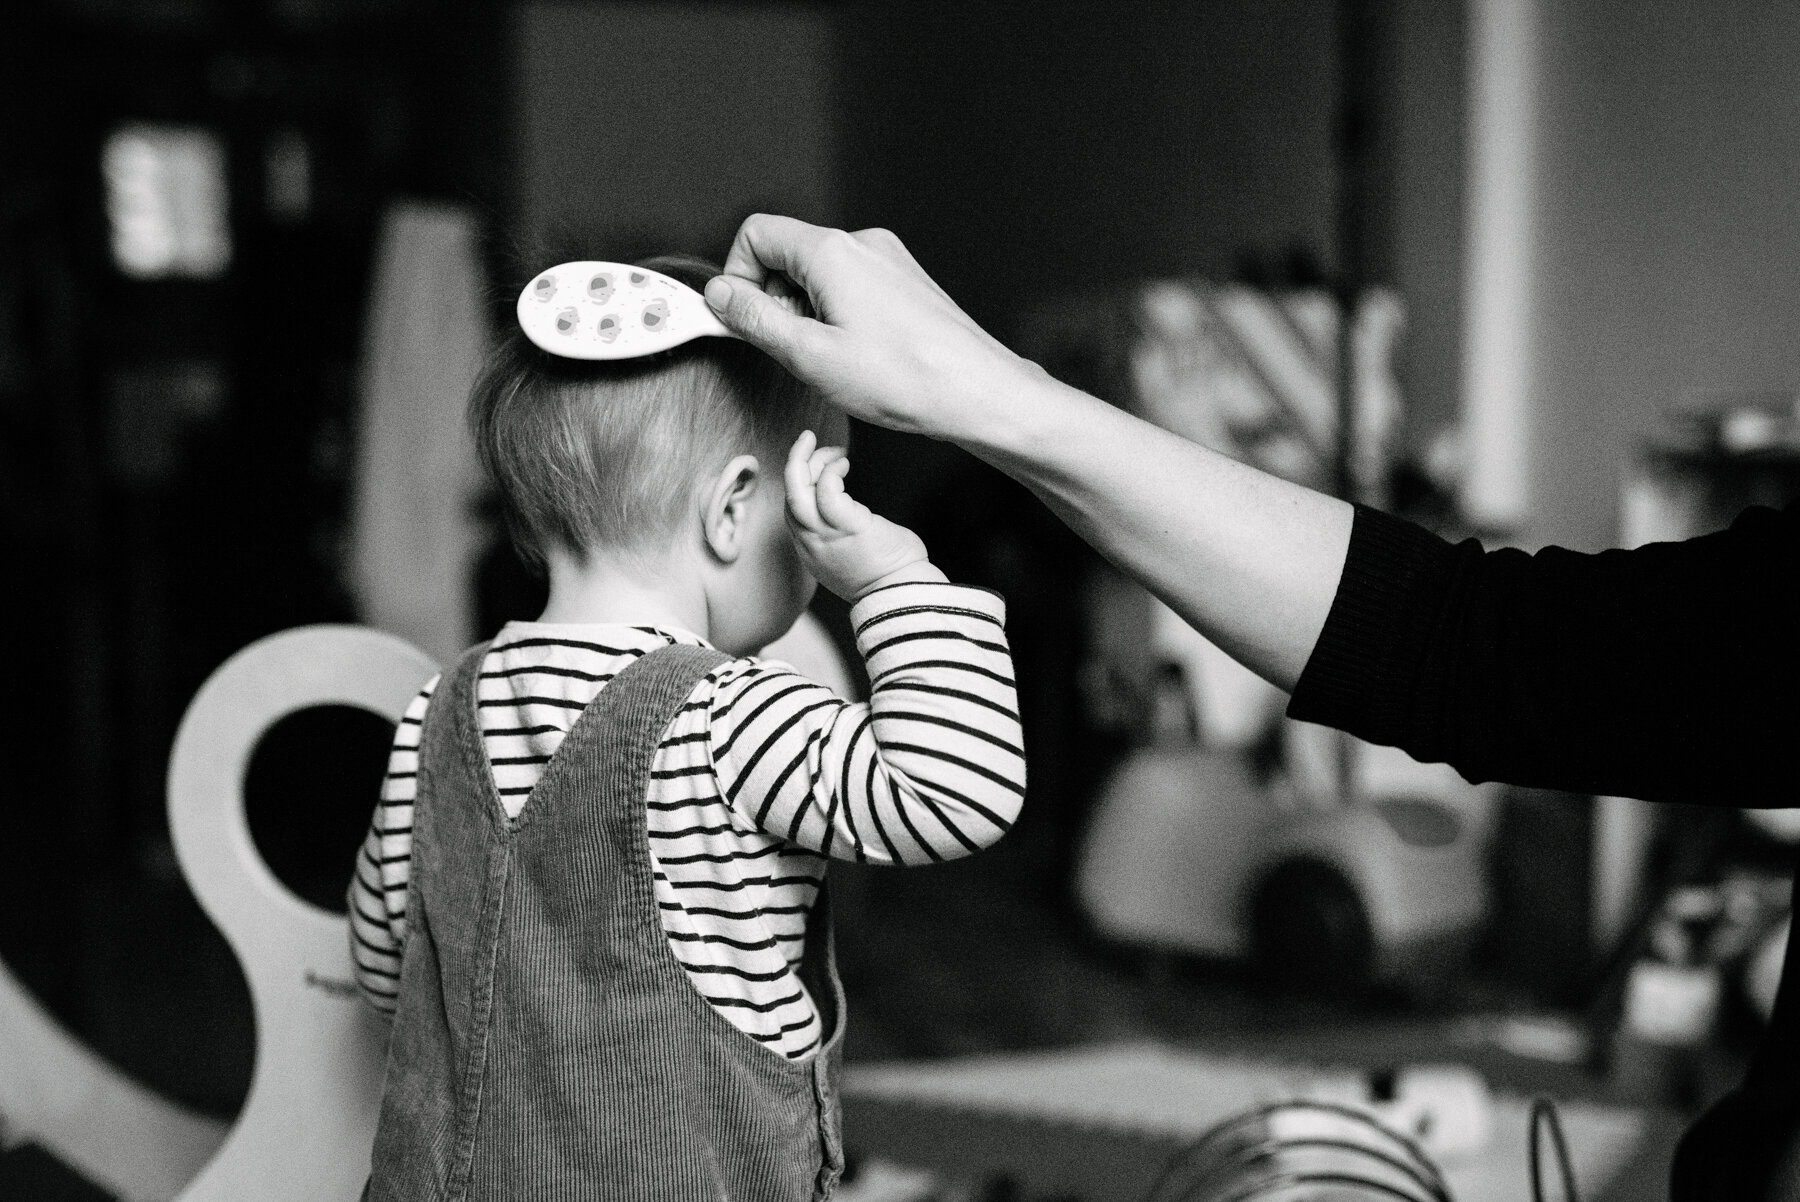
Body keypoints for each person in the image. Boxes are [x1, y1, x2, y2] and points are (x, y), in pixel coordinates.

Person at [700, 216, 1800, 1201]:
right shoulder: (727, 702)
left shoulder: (566, 692)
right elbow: (1468, 639)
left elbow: (1468, 643)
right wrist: (912, 546)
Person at [347, 254, 1027, 1200]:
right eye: (816, 509)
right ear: (732, 510)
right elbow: (959, 791)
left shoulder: (438, 711)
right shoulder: (731, 719)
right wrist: (896, 581)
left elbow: (388, 966)